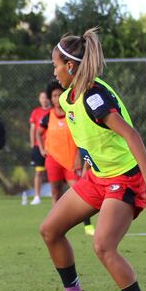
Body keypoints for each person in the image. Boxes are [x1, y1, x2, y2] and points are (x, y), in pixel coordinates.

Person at [38, 29, 146, 291]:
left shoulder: (94, 97)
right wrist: (83, 160)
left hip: (125, 180)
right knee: (50, 230)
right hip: (97, 178)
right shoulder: (67, 96)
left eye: (56, 64)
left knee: (103, 246)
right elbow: (93, 137)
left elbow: (131, 134)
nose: (54, 70)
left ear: (71, 67)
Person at [39, 83, 94, 234]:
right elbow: (38, 132)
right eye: (54, 96)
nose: (57, 98)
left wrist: (79, 157)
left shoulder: (72, 114)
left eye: (59, 95)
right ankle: (57, 223)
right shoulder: (47, 117)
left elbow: (81, 136)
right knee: (55, 192)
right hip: (53, 160)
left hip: (71, 160)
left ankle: (88, 225)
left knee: (80, 191)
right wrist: (42, 149)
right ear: (51, 98)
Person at [27, 88, 51, 204]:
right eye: (42, 98)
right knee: (39, 171)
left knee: (53, 171)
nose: (44, 100)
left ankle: (55, 193)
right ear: (39, 99)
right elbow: (33, 130)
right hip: (38, 146)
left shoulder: (53, 111)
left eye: (46, 98)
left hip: (52, 146)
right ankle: (37, 196)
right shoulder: (36, 112)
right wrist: (33, 145)